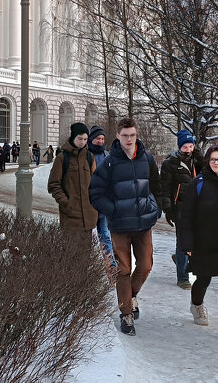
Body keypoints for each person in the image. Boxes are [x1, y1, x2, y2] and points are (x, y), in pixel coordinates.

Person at [89, 116, 161, 337]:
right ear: (118, 137)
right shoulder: (108, 163)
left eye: (132, 135)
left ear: (136, 135)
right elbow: (95, 193)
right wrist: (113, 209)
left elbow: (156, 187)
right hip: (119, 225)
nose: (129, 139)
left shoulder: (146, 159)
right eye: (125, 135)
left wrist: (155, 208)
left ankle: (131, 296)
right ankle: (126, 314)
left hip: (143, 224)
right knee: (123, 269)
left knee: (146, 265)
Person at [176, 146, 218, 344]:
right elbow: (186, 216)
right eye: (213, 159)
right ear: (207, 161)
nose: (216, 162)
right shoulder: (197, 184)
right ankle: (196, 304)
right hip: (203, 241)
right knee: (204, 279)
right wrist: (187, 243)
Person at [159, 129, 203, 289]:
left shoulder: (197, 160)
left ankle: (180, 259)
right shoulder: (170, 163)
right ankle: (183, 277)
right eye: (186, 147)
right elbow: (164, 188)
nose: (189, 150)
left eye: (191, 146)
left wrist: (199, 157)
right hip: (180, 207)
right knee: (183, 242)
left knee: (198, 241)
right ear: (179, 147)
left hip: (198, 207)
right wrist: (168, 209)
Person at [47, 123, 98, 234]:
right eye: (79, 138)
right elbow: (53, 184)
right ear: (73, 137)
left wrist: (95, 203)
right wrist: (66, 203)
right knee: (71, 251)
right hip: (70, 218)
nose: (82, 142)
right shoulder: (62, 158)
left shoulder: (90, 157)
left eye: (85, 139)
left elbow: (96, 183)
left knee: (86, 251)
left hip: (89, 218)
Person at [87, 126, 115, 272]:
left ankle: (111, 265)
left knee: (104, 233)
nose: (100, 141)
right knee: (87, 236)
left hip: (103, 201)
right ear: (92, 139)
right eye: (98, 138)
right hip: (88, 201)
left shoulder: (107, 155)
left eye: (103, 139)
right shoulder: (85, 155)